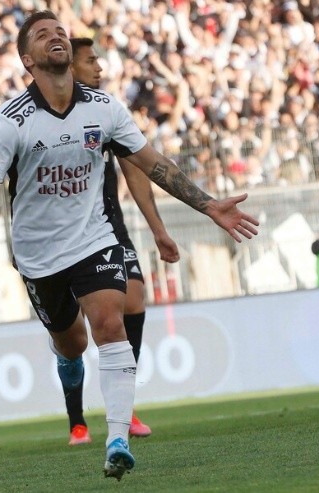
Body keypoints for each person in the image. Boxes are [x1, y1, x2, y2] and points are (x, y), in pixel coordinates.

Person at [0, 11, 258, 481]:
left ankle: (117, 440)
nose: (55, 36)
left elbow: (152, 163)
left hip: (93, 238)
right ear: (27, 59)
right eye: (42, 35)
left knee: (111, 322)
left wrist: (208, 205)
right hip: (37, 253)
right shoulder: (11, 121)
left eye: (59, 31)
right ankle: (70, 376)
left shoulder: (104, 108)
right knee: (71, 343)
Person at [60, 37, 180, 447]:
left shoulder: (105, 110)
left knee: (134, 297)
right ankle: (77, 420)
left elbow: (135, 168)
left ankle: (123, 405)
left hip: (107, 226)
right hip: (56, 238)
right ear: (69, 67)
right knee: (71, 337)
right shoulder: (35, 117)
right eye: (90, 61)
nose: (99, 68)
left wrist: (157, 229)